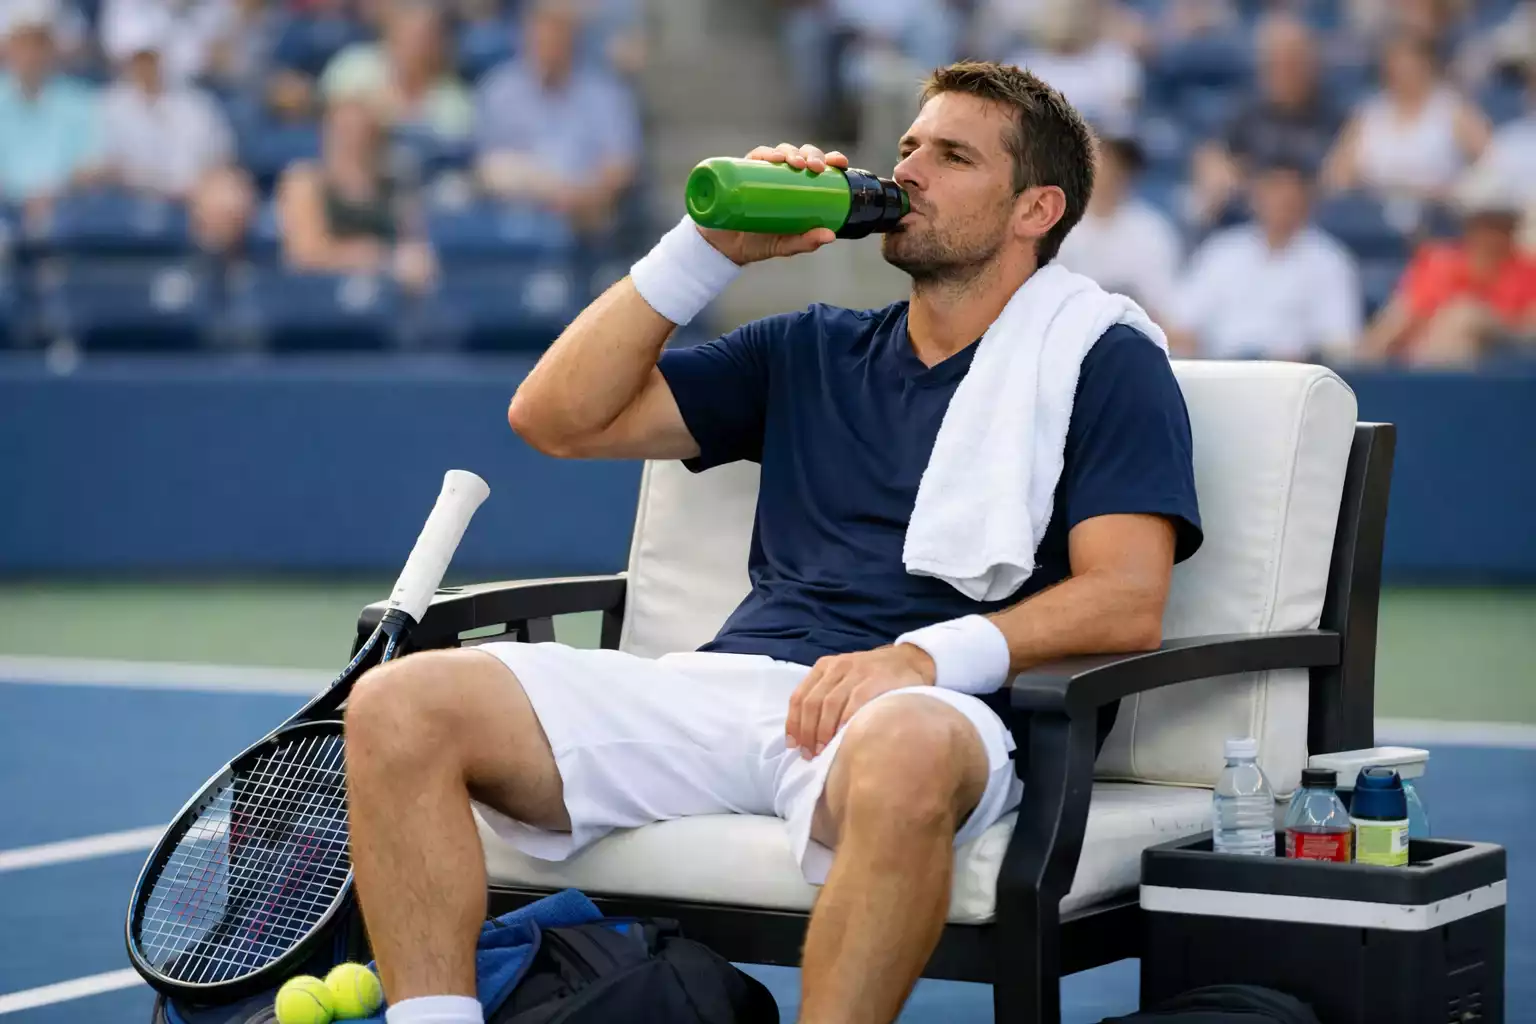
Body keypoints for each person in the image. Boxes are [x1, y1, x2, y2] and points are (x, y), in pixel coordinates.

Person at [344, 60, 1202, 1024]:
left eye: (953, 156)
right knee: (398, 702)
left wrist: (920, 658)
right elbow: (555, 419)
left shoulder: (1104, 359)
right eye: (910, 146)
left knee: (910, 750)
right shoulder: (810, 346)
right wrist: (706, 250)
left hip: (920, 708)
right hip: (735, 685)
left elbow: (1127, 597)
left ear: (1034, 209)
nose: (909, 171)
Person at [1164, 160, 1363, 362]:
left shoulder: (1329, 261)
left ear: (1307, 199)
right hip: (1221, 373)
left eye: (1290, 194)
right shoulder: (1222, 251)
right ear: (1255, 197)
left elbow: (1339, 343)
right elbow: (1178, 322)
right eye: (1273, 190)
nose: (1281, 201)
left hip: (1291, 379)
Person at [473, 0, 641, 233]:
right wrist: (547, 190)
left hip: (588, 217)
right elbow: (487, 168)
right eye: (542, 31)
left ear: (573, 37)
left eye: (558, 31)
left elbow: (621, 164)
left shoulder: (605, 93)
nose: (549, 41)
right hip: (519, 217)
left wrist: (581, 197)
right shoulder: (500, 92)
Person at [96, 12, 255, 254]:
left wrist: (196, 188)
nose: (146, 65)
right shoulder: (107, 107)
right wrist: (167, 186)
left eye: (151, 57)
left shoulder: (196, 104)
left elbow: (221, 160)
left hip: (193, 198)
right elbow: (108, 170)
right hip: (132, 197)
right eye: (140, 57)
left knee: (228, 195)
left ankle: (217, 275)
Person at [1358, 172, 1536, 366]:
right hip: (1421, 355)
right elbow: (1407, 313)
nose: (1491, 235)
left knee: (1464, 317)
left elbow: (1527, 331)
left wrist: (1485, 320)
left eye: (1500, 225)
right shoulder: (1441, 261)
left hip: (1499, 364)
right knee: (1399, 315)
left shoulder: (1528, 271)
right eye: (1484, 224)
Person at [1189, 12, 1343, 228]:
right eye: (1274, 63)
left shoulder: (1334, 113)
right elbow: (1212, 157)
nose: (1283, 72)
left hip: (1312, 226)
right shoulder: (1246, 108)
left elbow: (1337, 179)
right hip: (1251, 222)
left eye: (1292, 62)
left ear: (1312, 65)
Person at [275, 97, 436, 292]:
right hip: (319, 295)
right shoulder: (304, 181)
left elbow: (414, 245)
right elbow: (304, 254)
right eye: (343, 132)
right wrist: (368, 257)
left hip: (385, 293)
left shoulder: (394, 185)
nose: (352, 141)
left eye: (362, 133)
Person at [1322, 31, 1489, 205]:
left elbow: (1492, 164)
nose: (1403, 71)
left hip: (1438, 212)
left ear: (1427, 64)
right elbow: (1336, 176)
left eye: (1410, 64)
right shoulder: (1368, 115)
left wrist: (1455, 192)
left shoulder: (1453, 110)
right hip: (1374, 211)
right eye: (1396, 64)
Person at [1056, 130, 1182, 319]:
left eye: (1118, 163)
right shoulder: (1054, 226)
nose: (1109, 170)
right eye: (1100, 157)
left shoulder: (1151, 230)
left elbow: (1163, 311)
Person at [0, 2, 101, 227]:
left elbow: (92, 166)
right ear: (9, 48)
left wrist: (54, 196)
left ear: (51, 49)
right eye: (23, 45)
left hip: (66, 211)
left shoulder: (79, 101)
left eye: (39, 45)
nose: (30, 55)